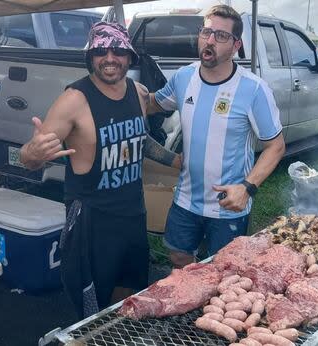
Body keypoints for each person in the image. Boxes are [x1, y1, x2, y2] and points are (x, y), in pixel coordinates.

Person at [20, 21, 179, 318]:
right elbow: (29, 157)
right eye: (100, 51)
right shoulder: (74, 100)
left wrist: (175, 161)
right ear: (90, 57)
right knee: (92, 308)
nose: (109, 58)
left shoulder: (139, 92)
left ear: (129, 56)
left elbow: (137, 139)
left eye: (117, 50)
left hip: (133, 215)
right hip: (92, 223)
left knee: (130, 297)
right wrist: (33, 153)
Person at [146, 5, 286, 268]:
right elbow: (154, 103)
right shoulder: (184, 77)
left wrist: (247, 187)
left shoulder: (254, 89)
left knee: (225, 270)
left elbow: (275, 147)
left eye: (221, 36)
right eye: (206, 32)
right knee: (179, 258)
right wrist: (123, 91)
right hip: (185, 198)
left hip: (228, 204)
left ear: (236, 45)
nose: (210, 40)